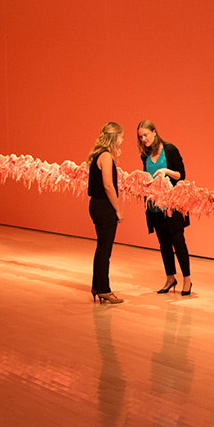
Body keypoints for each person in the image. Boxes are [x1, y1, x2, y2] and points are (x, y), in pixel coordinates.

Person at [137, 119, 192, 295]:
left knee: (178, 242)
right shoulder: (145, 155)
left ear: (154, 132)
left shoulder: (170, 150)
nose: (143, 139)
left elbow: (181, 175)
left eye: (146, 135)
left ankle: (187, 279)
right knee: (164, 244)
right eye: (140, 137)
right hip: (155, 207)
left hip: (172, 206)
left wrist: (166, 171)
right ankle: (170, 277)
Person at [87, 122, 126, 303]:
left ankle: (98, 286)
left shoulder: (97, 155)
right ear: (114, 137)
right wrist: (118, 209)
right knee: (105, 250)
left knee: (101, 248)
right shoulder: (106, 156)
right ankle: (103, 288)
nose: (122, 140)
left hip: (96, 205)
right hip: (104, 206)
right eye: (121, 137)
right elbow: (108, 185)